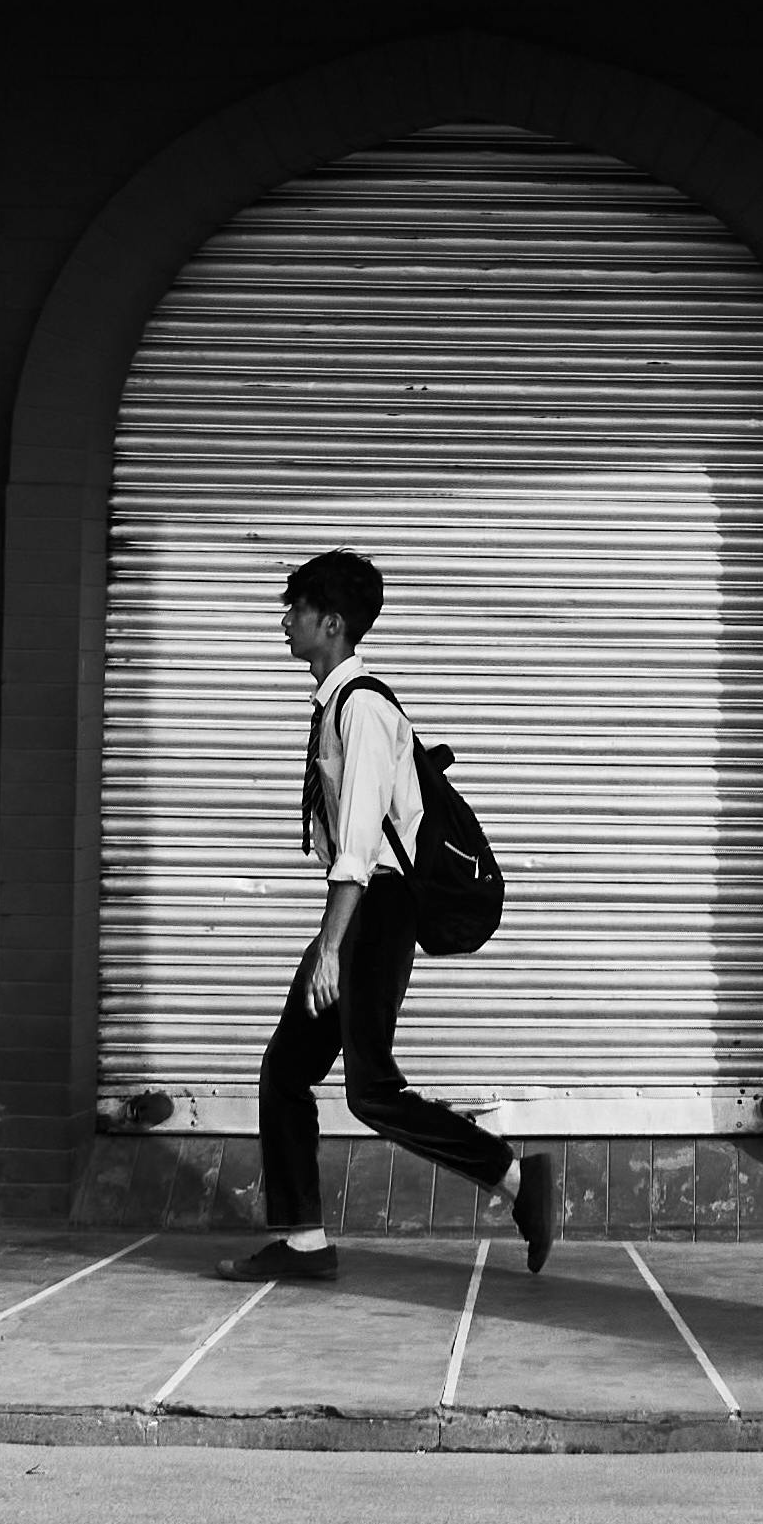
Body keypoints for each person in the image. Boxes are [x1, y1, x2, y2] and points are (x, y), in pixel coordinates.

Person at [216, 549, 555, 1286]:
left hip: (379, 910)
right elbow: (349, 850)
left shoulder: (362, 709)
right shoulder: (339, 706)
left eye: (296, 609)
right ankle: (304, 1242)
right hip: (361, 913)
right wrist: (329, 935)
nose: (284, 621)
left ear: (330, 623)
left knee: (371, 1090)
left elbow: (364, 846)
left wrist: (334, 944)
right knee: (286, 1070)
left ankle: (519, 1182)